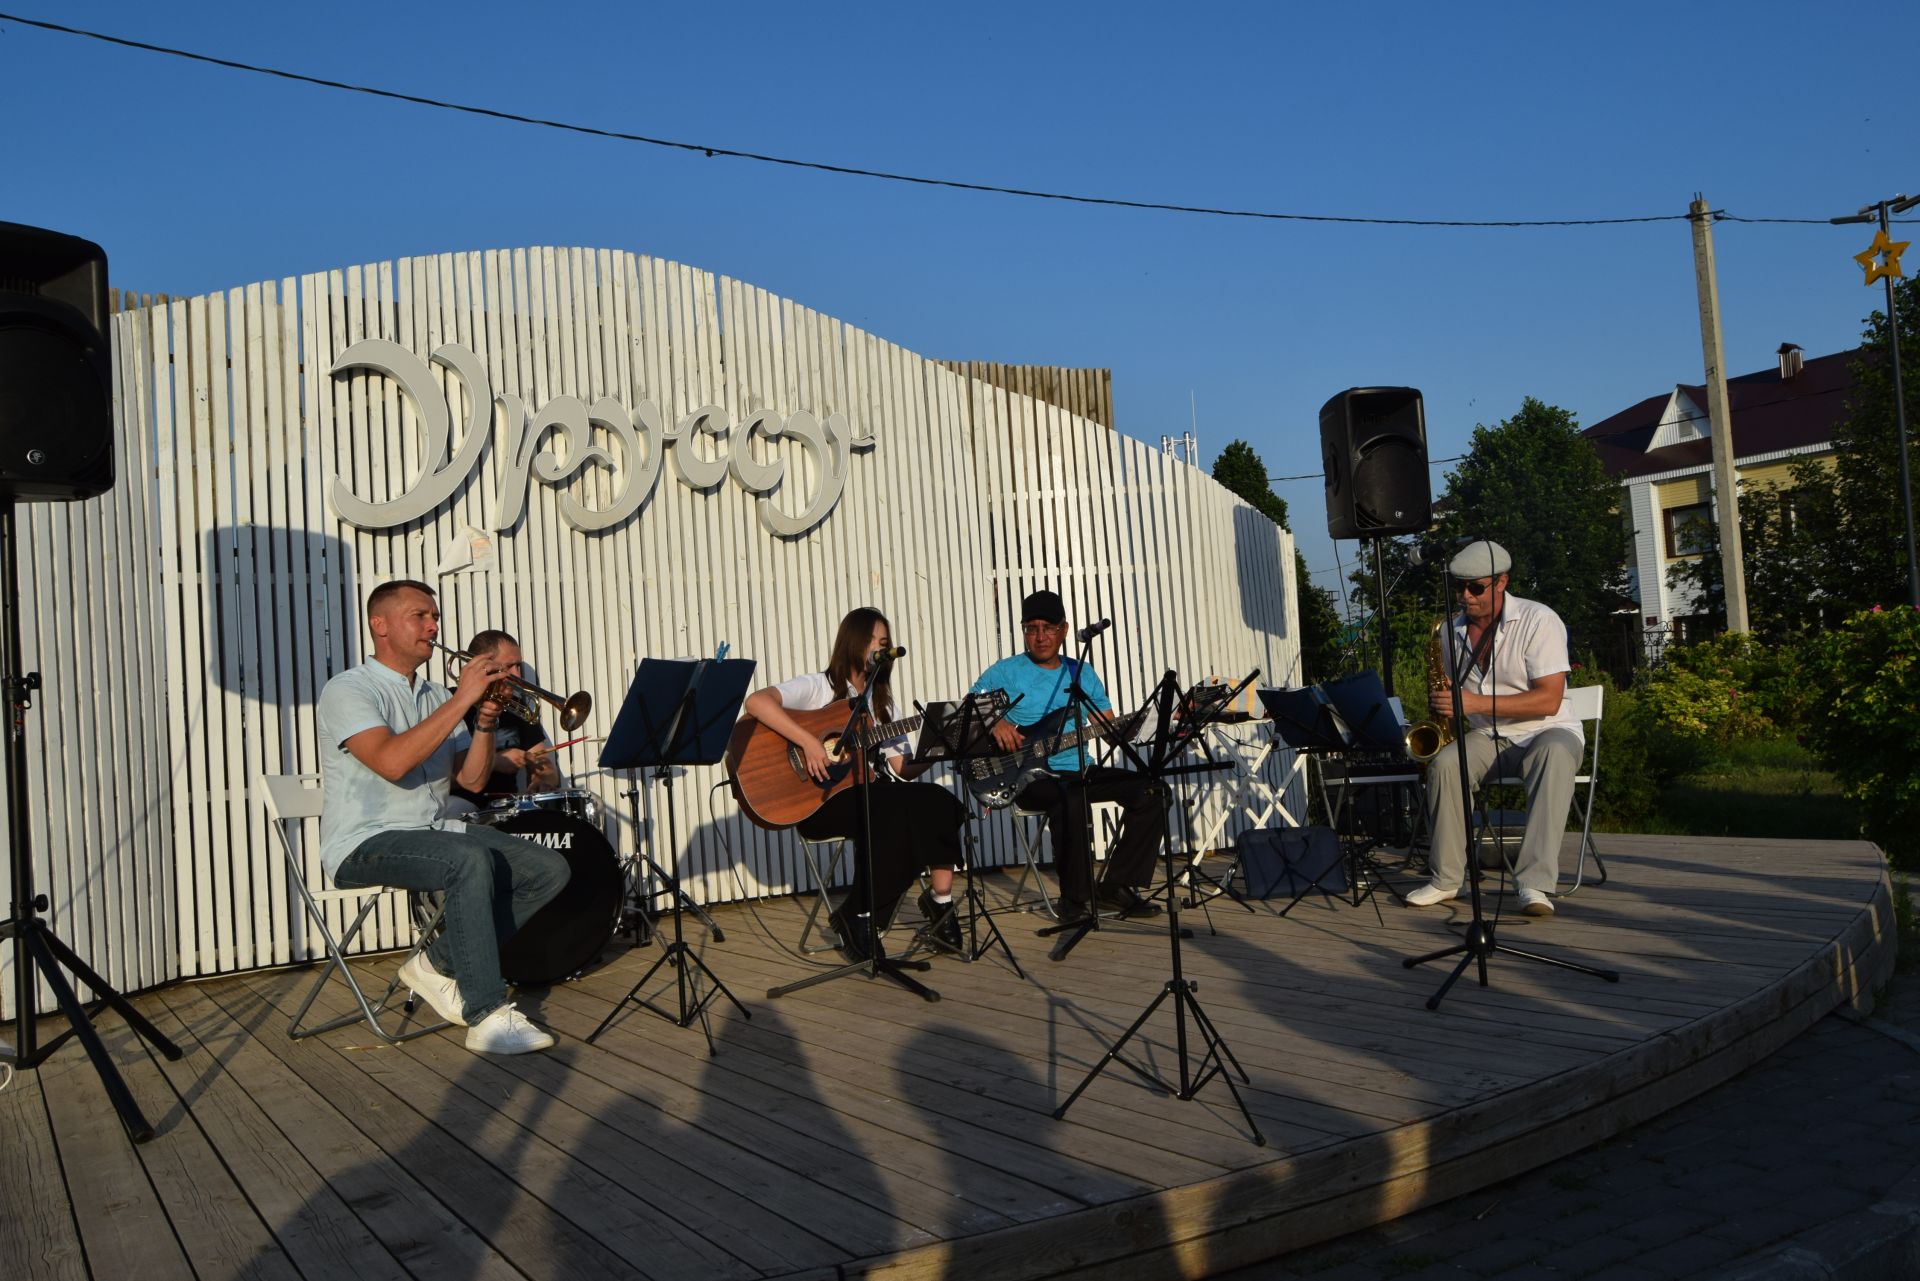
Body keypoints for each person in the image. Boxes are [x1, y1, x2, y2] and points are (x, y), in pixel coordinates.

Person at [317, 580, 569, 1053]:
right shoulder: (348, 689)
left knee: (548, 869)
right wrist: (463, 700)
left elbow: (470, 781)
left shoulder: (434, 694)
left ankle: (433, 966)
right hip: (363, 842)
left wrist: (488, 717)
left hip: (435, 831)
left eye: (434, 616)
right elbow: (392, 762)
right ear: (380, 625)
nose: (434, 626)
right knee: (466, 859)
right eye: (420, 616)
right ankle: (487, 1013)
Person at [741, 606, 968, 960]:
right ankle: (860, 915)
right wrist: (808, 740)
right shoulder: (820, 687)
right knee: (894, 813)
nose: (882, 648)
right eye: (874, 641)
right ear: (854, 642)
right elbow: (756, 702)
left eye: (886, 642)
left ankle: (938, 903)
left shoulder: (881, 704)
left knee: (939, 800)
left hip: (869, 798)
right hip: (819, 802)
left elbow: (902, 768)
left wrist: (938, 747)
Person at [1407, 541, 1585, 917]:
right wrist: (1443, 731)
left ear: (1502, 582)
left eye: (1475, 587)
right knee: (1445, 766)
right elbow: (1455, 701)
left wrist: (1472, 704)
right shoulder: (1449, 633)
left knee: (1553, 755)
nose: (1465, 596)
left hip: (1547, 729)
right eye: (1459, 587)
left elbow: (1548, 700)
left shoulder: (1539, 620)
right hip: (1489, 735)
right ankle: (1446, 880)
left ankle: (1534, 885)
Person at [970, 589, 1167, 926]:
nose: (1041, 636)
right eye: (1032, 628)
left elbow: (1107, 727)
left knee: (1154, 791)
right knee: (1068, 797)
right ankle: (1074, 899)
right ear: (1023, 631)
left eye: (1048, 627)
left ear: (1064, 629)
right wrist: (997, 721)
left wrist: (1133, 727)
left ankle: (1115, 885)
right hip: (1027, 777)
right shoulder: (1005, 672)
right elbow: (969, 707)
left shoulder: (1081, 673)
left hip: (1078, 769)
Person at [449, 628, 563, 810]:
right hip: (459, 808)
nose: (517, 675)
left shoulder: (518, 708)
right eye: (509, 666)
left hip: (506, 807)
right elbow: (433, 779)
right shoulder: (449, 703)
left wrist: (541, 780)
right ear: (483, 665)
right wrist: (494, 762)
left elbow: (545, 764)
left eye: (518, 666)